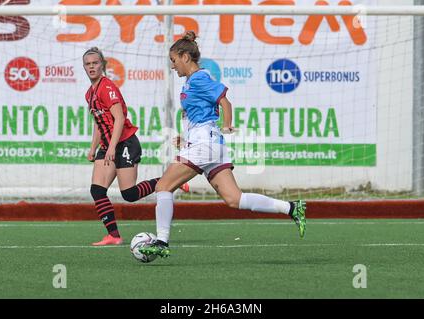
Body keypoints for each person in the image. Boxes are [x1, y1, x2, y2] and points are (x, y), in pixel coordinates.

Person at [139, 32, 306, 258]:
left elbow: (225, 101)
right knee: (234, 199)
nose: (172, 66)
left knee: (163, 186)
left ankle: (161, 241)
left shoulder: (199, 78)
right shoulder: (191, 81)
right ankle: (292, 208)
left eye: (174, 60)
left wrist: (227, 125)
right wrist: (186, 139)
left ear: (185, 56)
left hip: (205, 144)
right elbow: (203, 114)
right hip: (207, 144)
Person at [83, 47, 189, 246]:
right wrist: (92, 148)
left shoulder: (107, 88)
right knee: (97, 191)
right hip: (108, 145)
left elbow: (120, 118)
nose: (91, 67)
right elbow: (99, 123)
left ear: (102, 65)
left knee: (129, 195)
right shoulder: (90, 93)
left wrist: (113, 147)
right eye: (88, 64)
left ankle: (170, 180)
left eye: (95, 63)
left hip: (125, 143)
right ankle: (113, 236)